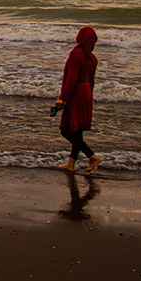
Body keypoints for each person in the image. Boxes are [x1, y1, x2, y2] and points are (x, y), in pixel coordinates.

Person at [55, 26, 102, 172]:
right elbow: (92, 81)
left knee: (66, 130)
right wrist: (89, 96)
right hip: (87, 93)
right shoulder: (92, 58)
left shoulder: (76, 54)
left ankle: (92, 156)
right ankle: (71, 163)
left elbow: (71, 80)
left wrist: (62, 98)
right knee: (78, 130)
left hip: (76, 93)